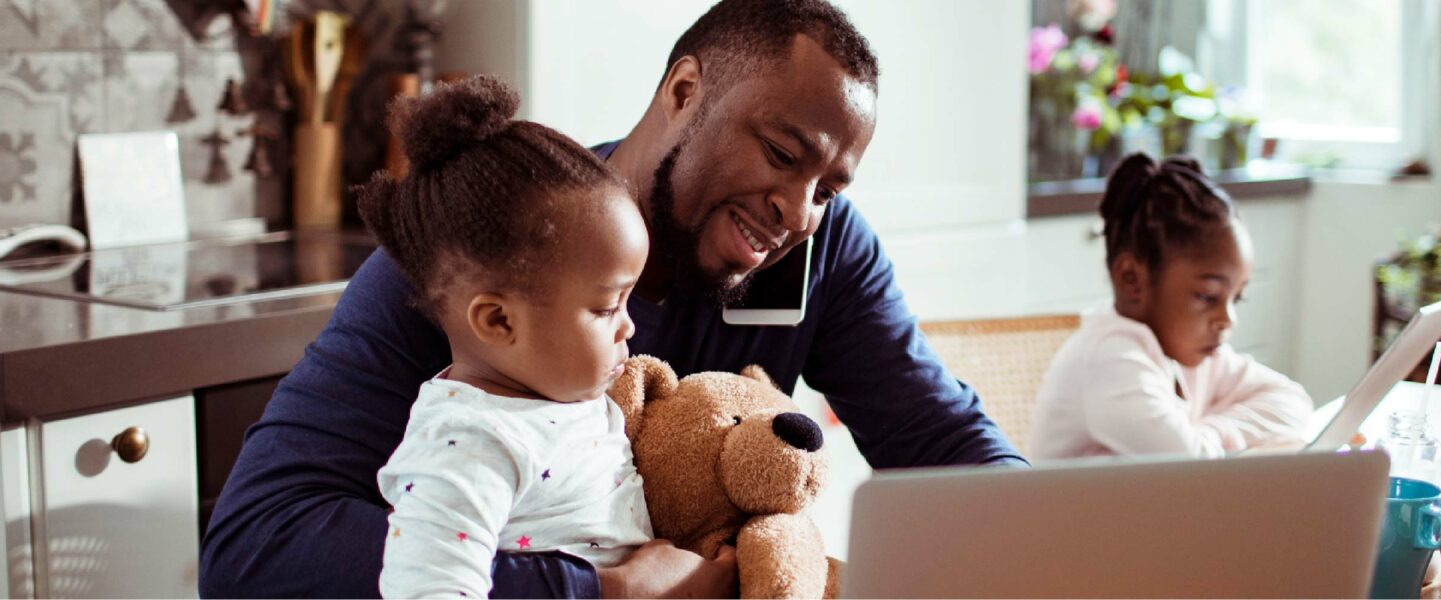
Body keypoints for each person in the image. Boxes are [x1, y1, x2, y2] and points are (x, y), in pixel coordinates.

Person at [200, 1, 1026, 597]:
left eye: (829, 189)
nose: (798, 212)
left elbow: (942, 442)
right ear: (684, 91)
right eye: (781, 152)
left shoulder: (825, 254)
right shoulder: (488, 255)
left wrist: (1059, 537)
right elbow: (255, 550)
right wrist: (595, 587)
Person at [358, 76, 653, 598]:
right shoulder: (469, 444)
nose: (628, 326)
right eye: (608, 307)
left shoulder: (562, 396)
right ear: (498, 322)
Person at [1029, 153, 1312, 460]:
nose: (1227, 320)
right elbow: (1189, 463)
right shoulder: (1109, 358)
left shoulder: (1194, 355)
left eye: (1236, 298)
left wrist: (1210, 433)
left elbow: (1293, 402)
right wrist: (1212, 440)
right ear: (1131, 279)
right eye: (1207, 296)